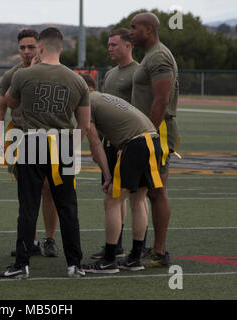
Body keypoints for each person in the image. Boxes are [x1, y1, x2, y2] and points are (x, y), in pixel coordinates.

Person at [0, 27, 90, 279]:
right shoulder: (78, 80)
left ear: (39, 47)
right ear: (61, 48)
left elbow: (10, 103)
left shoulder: (23, 75)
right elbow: (85, 125)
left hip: (30, 142)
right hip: (62, 145)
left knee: (28, 206)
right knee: (68, 206)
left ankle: (22, 264)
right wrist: (70, 146)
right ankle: (74, 264)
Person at [82, 84, 163, 273]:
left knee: (112, 200)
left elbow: (95, 145)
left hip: (136, 143)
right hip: (153, 140)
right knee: (138, 199)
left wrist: (108, 176)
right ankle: (135, 257)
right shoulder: (101, 97)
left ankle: (109, 259)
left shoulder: (86, 103)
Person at [0, 29, 59, 258]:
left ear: (40, 47)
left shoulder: (52, 71)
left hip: (48, 136)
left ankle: (50, 239)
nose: (26, 51)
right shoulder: (12, 75)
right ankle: (30, 240)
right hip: (20, 135)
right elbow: (1, 108)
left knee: (49, 189)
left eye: (31, 47)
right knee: (27, 191)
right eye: (22, 47)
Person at [90, 28, 149, 260]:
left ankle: (139, 248)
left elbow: (141, 108)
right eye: (109, 44)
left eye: (114, 44)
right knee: (117, 196)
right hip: (112, 142)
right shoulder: (110, 74)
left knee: (135, 197)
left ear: (128, 45)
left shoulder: (139, 72)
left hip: (133, 141)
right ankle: (116, 245)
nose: (109, 48)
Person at [130, 12, 179, 268]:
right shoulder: (150, 55)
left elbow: (161, 99)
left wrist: (147, 132)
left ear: (149, 30)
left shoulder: (158, 56)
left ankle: (159, 251)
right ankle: (154, 248)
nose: (131, 31)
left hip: (155, 133)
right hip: (148, 131)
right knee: (150, 191)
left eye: (134, 27)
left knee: (157, 191)